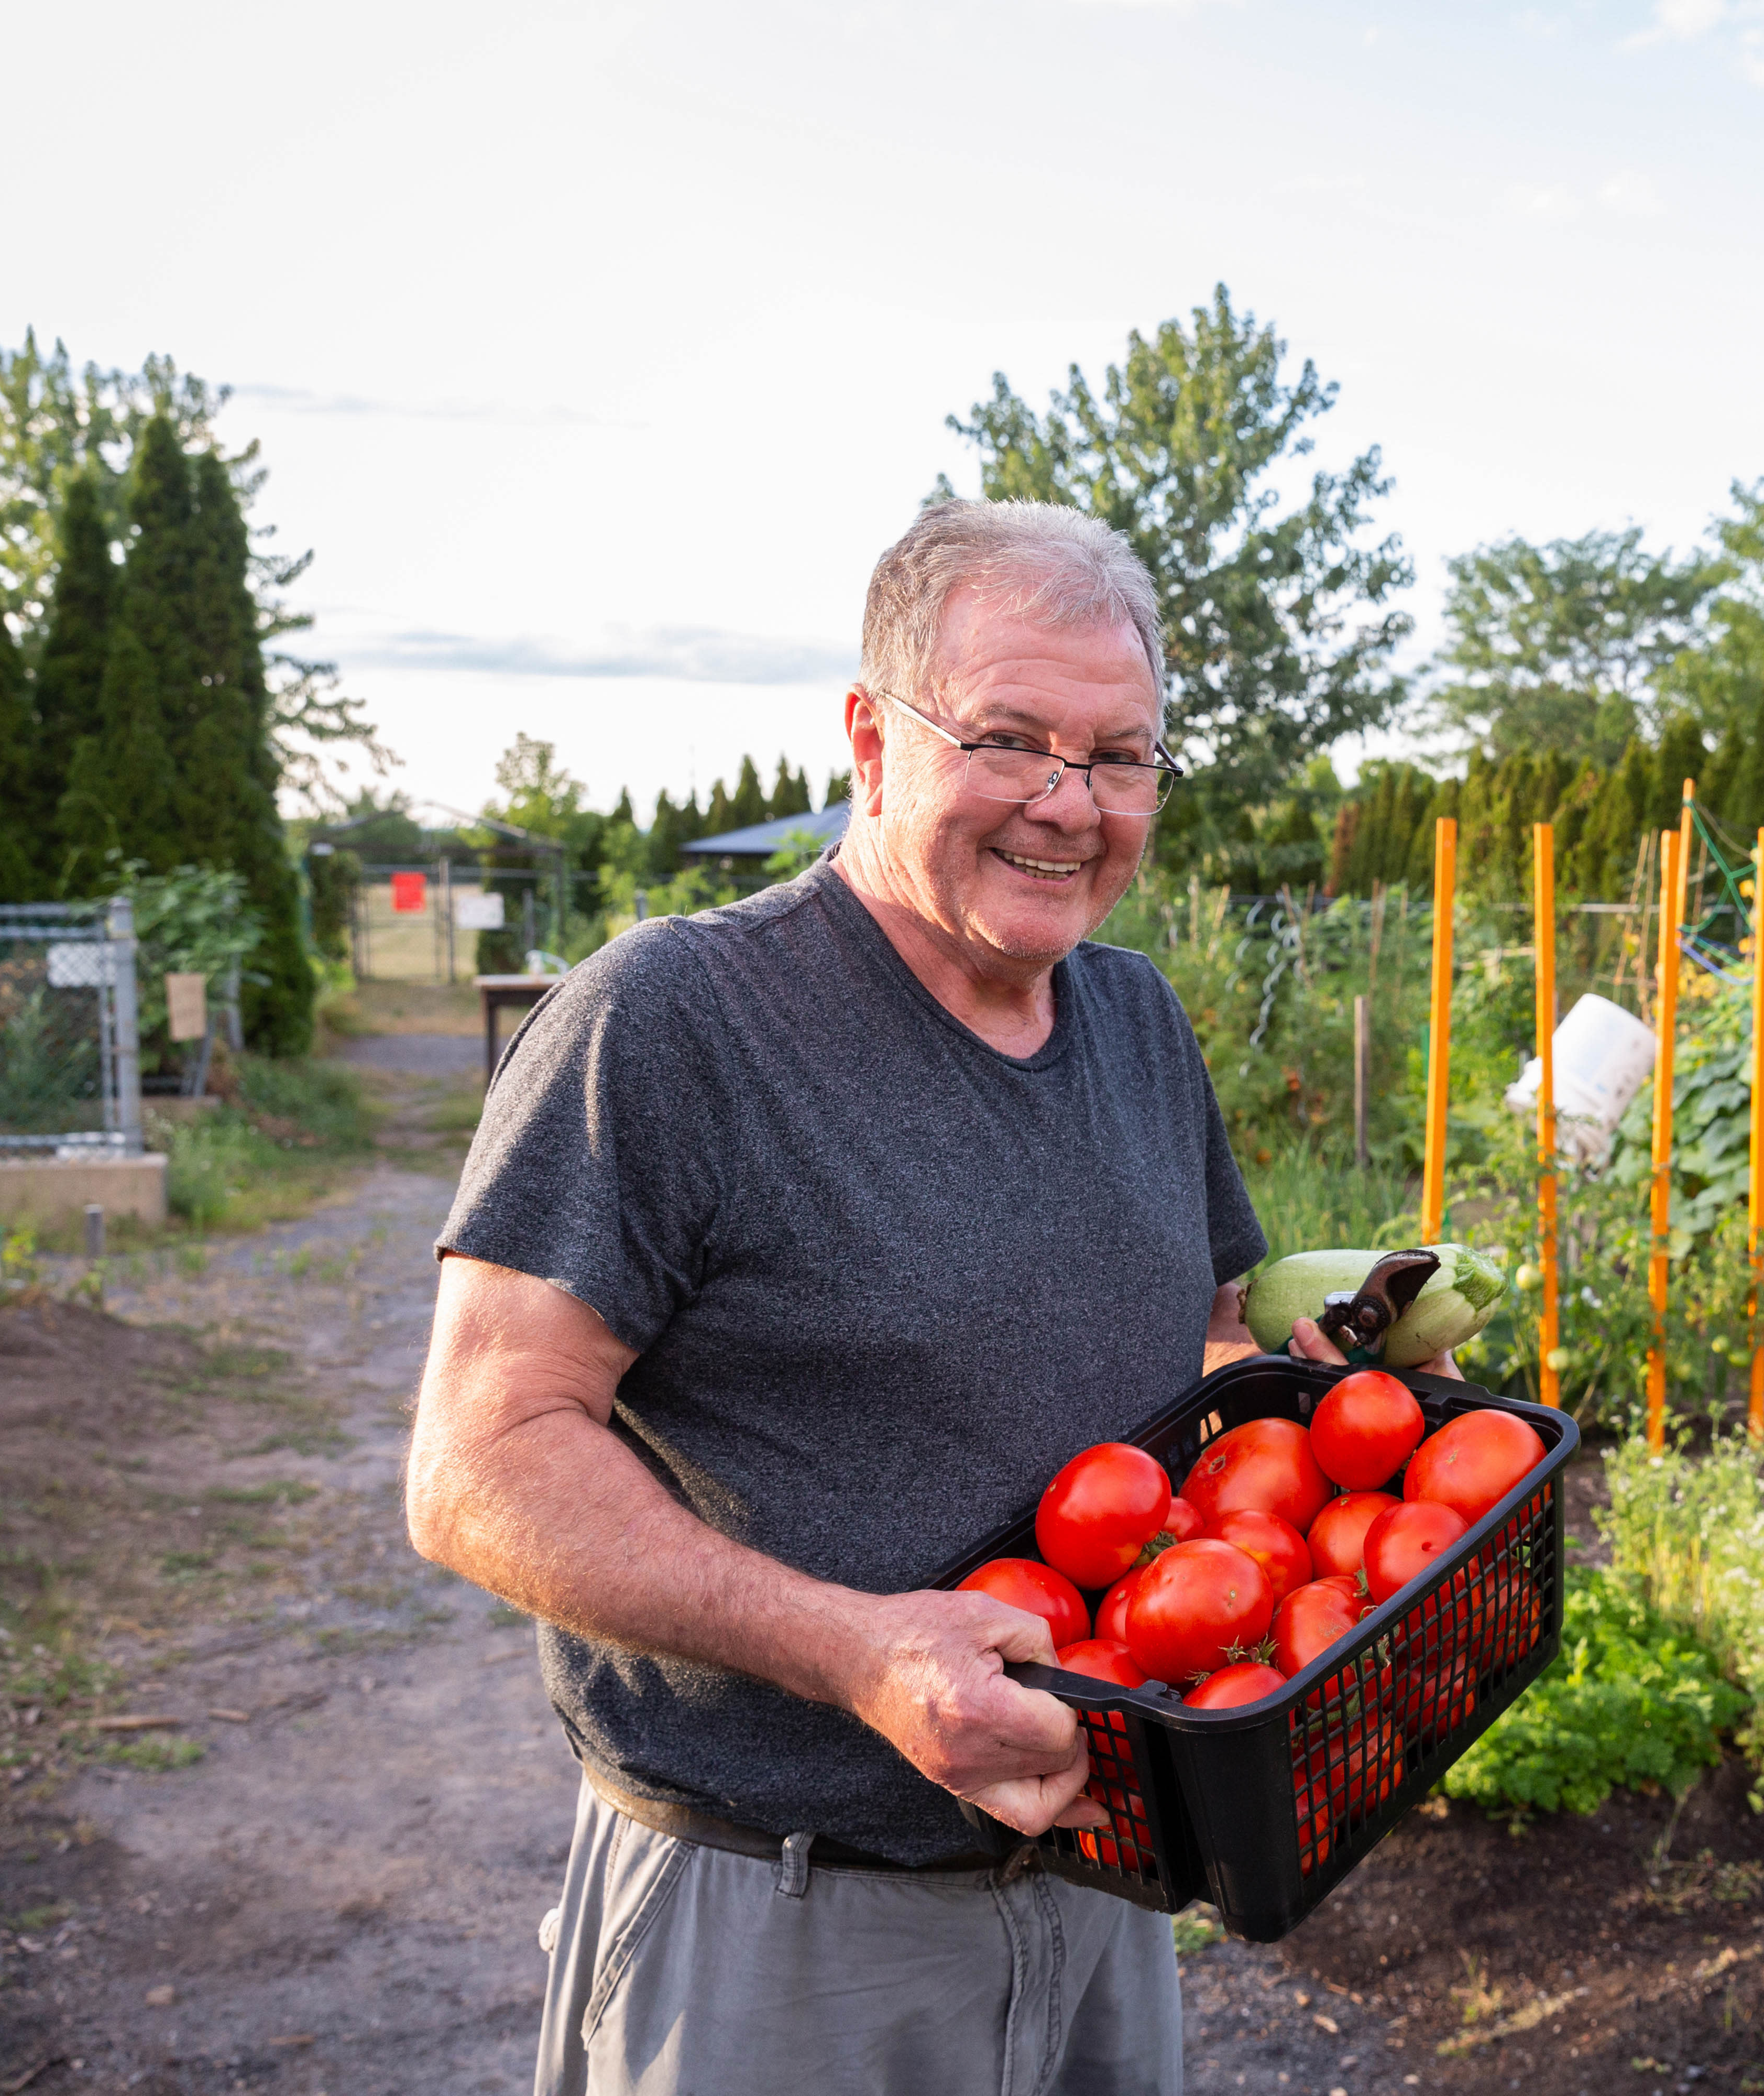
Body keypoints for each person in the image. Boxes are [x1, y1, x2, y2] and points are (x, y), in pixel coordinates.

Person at [407, 499, 1284, 2094]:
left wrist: (1327, 1407)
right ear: (874, 742)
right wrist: (852, 1653)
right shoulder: (674, 1023)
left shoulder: (1140, 1022)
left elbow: (1213, 1339)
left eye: (1124, 756)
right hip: (782, 1919)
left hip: (1103, 1893)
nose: (1070, 806)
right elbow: (478, 1462)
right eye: (1011, 738)